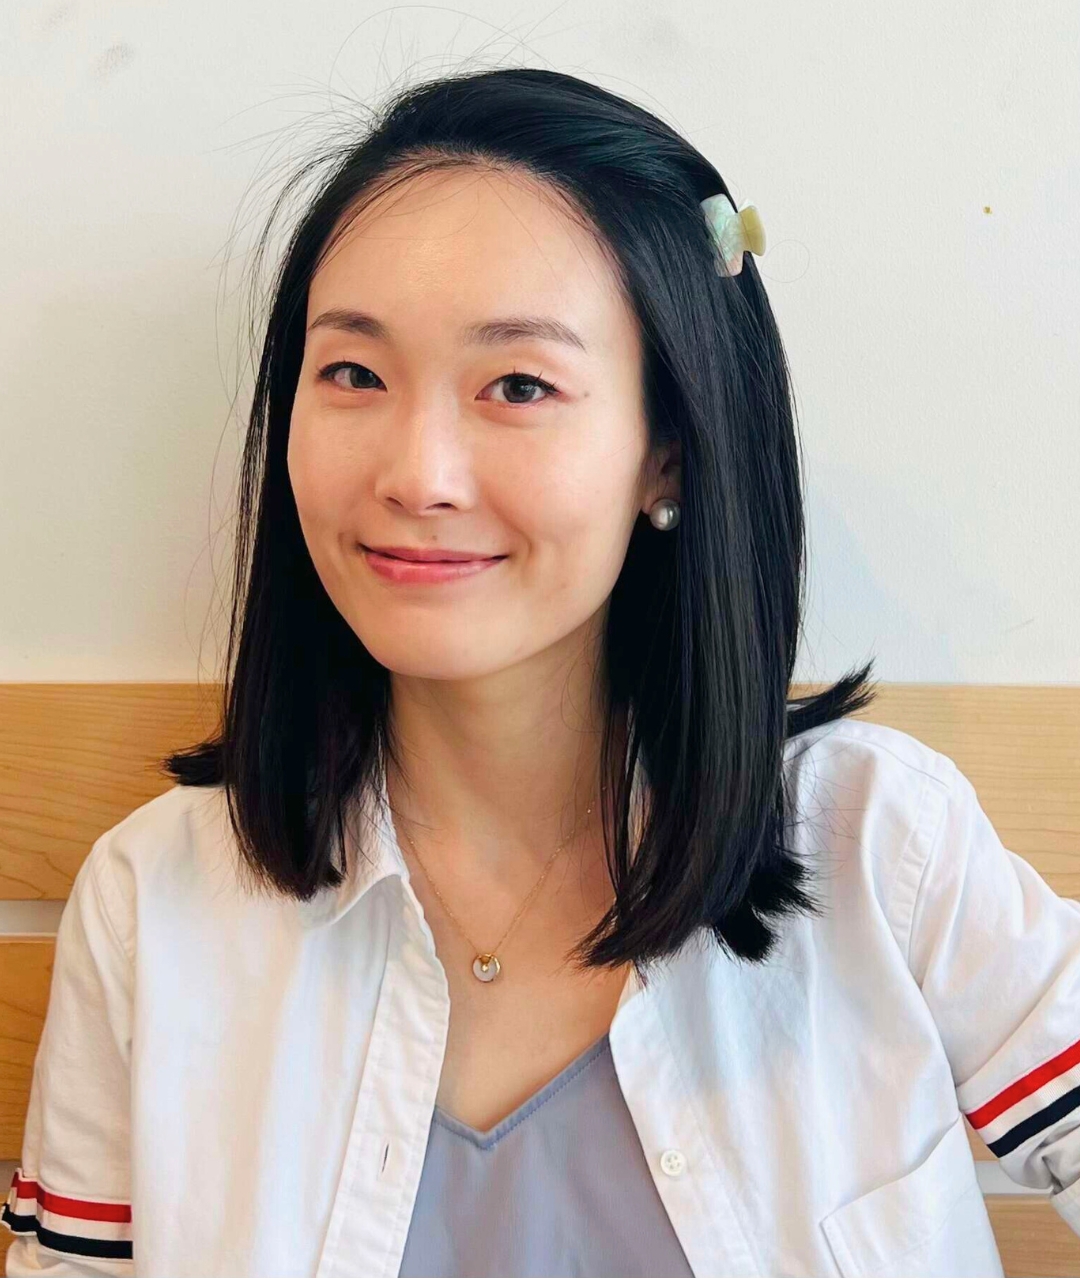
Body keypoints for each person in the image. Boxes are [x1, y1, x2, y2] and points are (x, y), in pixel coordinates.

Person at [4, 66, 1079, 1278]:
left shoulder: (879, 844)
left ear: (665, 452)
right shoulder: (154, 904)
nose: (418, 474)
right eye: (353, 373)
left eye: (518, 385)